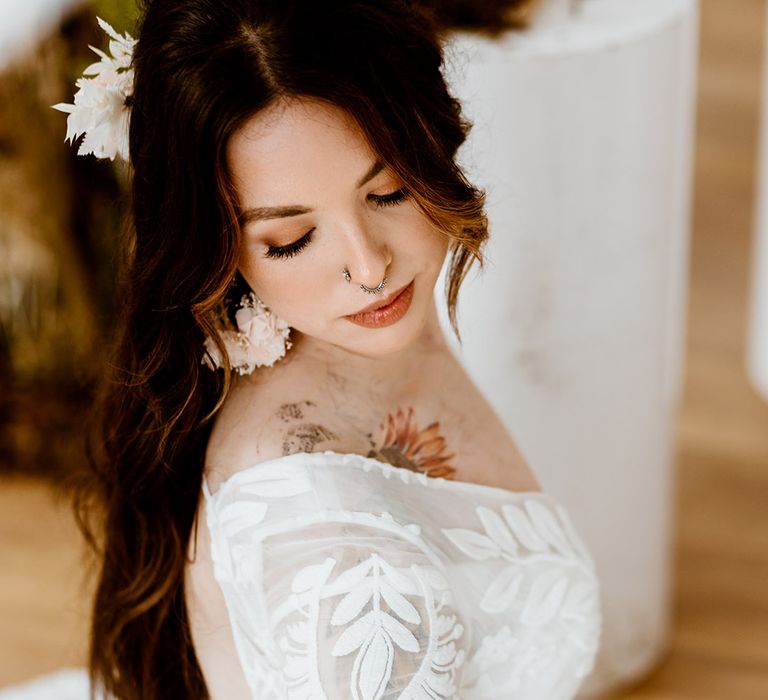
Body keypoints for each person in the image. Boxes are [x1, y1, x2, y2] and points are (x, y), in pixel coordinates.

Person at [52, 1, 602, 698]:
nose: (369, 266)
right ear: (214, 250)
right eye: (291, 240)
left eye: (389, 191)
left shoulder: (369, 331)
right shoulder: (342, 569)